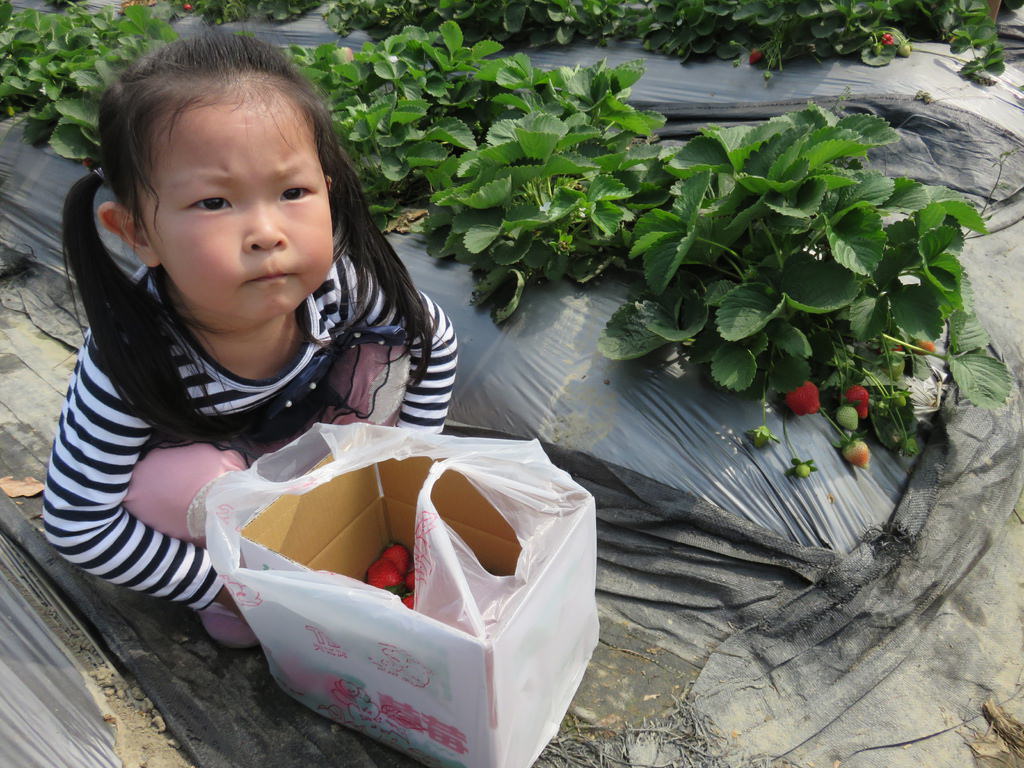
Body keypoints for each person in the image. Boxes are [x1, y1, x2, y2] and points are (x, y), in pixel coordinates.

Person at [42, 32, 458, 648]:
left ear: (329, 191)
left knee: (390, 353)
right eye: (214, 202)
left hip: (309, 453)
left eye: (293, 193)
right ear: (135, 232)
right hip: (216, 491)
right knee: (178, 488)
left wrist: (408, 474)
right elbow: (77, 523)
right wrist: (227, 585)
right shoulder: (131, 358)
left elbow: (435, 343)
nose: (267, 232)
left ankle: (332, 524)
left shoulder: (342, 287)